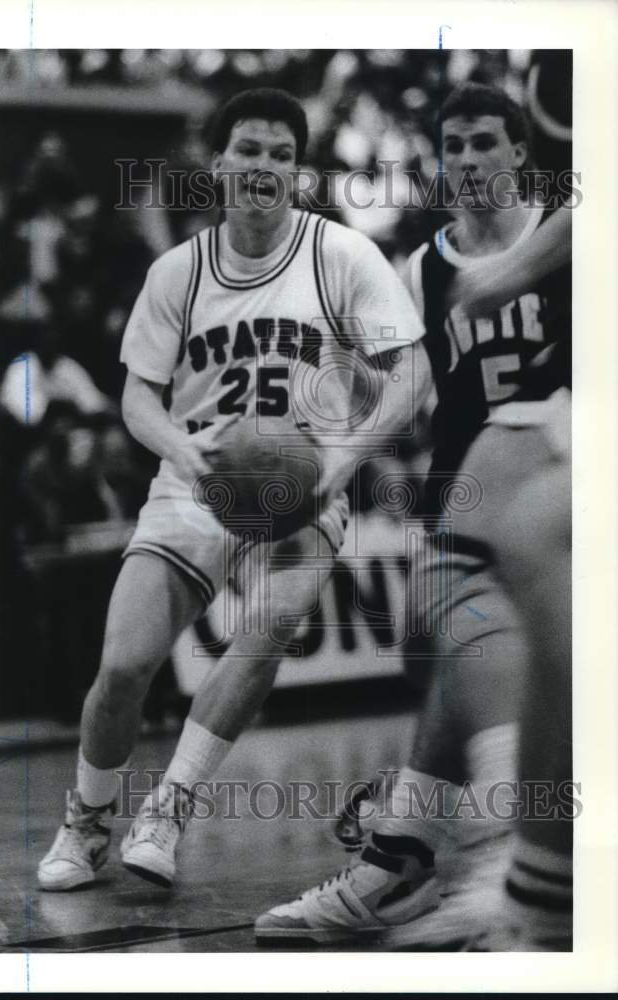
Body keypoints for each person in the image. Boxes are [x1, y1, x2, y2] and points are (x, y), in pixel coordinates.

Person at [37, 87, 430, 891]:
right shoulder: (176, 272)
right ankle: (87, 819)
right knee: (122, 667)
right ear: (217, 164)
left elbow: (410, 372)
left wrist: (341, 464)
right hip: (196, 478)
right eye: (248, 150)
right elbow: (138, 397)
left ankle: (170, 809)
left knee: (270, 627)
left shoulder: (341, 255)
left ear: (298, 171)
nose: (263, 167)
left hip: (306, 481)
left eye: (281, 155)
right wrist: (183, 456)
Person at [255, 81, 571, 944]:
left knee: (490, 648)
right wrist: (330, 421)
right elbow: (403, 391)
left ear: (518, 151)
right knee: (434, 664)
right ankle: (425, 852)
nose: (466, 161)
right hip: (459, 483)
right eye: (454, 147)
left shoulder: (570, 227)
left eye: (482, 143)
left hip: (547, 462)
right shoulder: (421, 271)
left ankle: (489, 855)